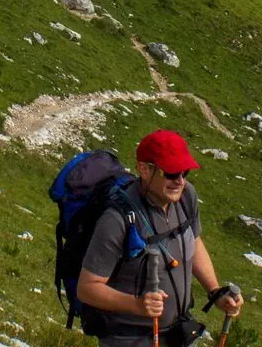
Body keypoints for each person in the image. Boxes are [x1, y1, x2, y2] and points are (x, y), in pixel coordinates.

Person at [78, 130, 244, 346]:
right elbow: (87, 288)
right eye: (172, 173)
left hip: (178, 334)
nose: (180, 181)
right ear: (144, 170)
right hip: (130, 339)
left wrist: (215, 291)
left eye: (185, 173)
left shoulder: (186, 197)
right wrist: (137, 305)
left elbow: (192, 240)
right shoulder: (117, 219)